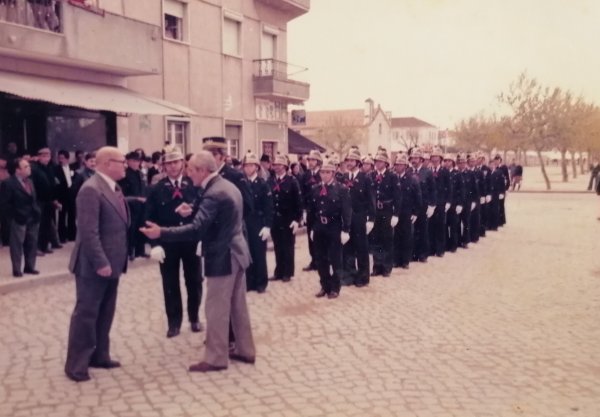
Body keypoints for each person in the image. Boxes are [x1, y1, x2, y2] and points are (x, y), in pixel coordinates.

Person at [141, 151, 256, 373]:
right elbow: (220, 215)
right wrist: (194, 209)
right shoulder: (226, 186)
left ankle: (215, 358)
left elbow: (196, 229)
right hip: (237, 252)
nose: (188, 173)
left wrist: (161, 232)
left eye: (191, 169)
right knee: (237, 306)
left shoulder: (214, 193)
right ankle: (245, 350)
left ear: (203, 170)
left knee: (216, 309)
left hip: (223, 256)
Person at [64, 147, 130, 383]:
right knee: (87, 314)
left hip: (113, 262)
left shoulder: (113, 187)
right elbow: (88, 231)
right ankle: (76, 365)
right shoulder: (90, 190)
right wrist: (101, 261)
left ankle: (100, 355)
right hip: (94, 265)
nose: (125, 165)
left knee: (105, 312)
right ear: (106, 163)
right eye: (122, 161)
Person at [145, 146, 203, 338]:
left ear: (183, 163)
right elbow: (149, 218)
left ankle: (194, 317)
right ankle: (174, 322)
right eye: (168, 163)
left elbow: (203, 212)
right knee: (170, 283)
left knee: (194, 280)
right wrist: (155, 245)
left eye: (176, 162)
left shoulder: (194, 185)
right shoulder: (156, 189)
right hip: (168, 243)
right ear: (163, 166)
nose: (172, 166)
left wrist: (202, 238)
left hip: (190, 241)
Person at [309, 156, 352, 299]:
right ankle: (325, 285)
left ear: (333, 173)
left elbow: (346, 211)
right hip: (320, 227)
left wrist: (346, 230)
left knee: (335, 259)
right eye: (322, 172)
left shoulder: (341, 189)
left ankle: (335, 287)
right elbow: (313, 211)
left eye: (328, 172)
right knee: (321, 259)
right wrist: (313, 228)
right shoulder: (315, 189)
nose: (325, 175)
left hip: (334, 227)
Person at [0, 158, 41, 277]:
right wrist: (14, 216)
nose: (29, 168)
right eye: (26, 167)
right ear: (18, 170)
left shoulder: (30, 181)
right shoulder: (8, 183)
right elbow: (4, 204)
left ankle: (30, 266)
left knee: (32, 243)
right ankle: (17, 269)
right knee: (17, 245)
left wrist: (36, 211)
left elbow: (33, 198)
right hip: (18, 218)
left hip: (32, 217)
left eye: (29, 166)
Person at [341, 147, 375, 286]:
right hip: (346, 218)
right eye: (347, 160)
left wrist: (371, 219)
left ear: (357, 162)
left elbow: (371, 200)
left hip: (360, 217)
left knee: (361, 248)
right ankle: (349, 275)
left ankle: (363, 277)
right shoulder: (343, 178)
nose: (349, 163)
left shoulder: (365, 178)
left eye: (352, 160)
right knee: (347, 247)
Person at [241, 151, 273, 293]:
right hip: (246, 222)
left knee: (259, 253)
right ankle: (250, 281)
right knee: (247, 252)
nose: (248, 168)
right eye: (246, 165)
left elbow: (269, 207)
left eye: (251, 165)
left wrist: (268, 226)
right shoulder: (242, 184)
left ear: (257, 167)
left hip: (259, 222)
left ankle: (261, 282)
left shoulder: (263, 184)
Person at [268, 153, 303, 282]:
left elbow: (298, 202)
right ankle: (279, 271)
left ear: (284, 166)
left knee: (288, 246)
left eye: (279, 165)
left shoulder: (292, 181)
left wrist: (297, 219)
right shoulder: (271, 181)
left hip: (288, 219)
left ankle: (287, 272)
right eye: (275, 165)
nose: (276, 167)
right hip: (275, 219)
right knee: (278, 246)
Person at [370, 147, 401, 277]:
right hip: (375, 211)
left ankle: (387, 267)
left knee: (387, 239)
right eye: (376, 161)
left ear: (386, 163)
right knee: (375, 239)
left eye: (380, 161)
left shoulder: (392, 176)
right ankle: (377, 266)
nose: (378, 163)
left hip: (387, 211)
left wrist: (396, 214)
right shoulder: (371, 175)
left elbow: (398, 197)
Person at [392, 153, 421, 269]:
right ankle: (396, 260)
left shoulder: (412, 179)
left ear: (405, 166)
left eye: (400, 165)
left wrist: (415, 212)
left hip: (407, 211)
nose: (398, 167)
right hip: (395, 211)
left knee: (407, 236)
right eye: (396, 164)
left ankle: (405, 260)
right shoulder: (393, 178)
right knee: (396, 236)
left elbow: (418, 197)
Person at [30, 148, 62, 253]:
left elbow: (53, 183)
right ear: (39, 156)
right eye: (44, 156)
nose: (46, 158)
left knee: (47, 224)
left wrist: (54, 199)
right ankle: (37, 247)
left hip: (49, 200)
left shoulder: (50, 168)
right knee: (38, 225)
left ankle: (44, 246)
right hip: (39, 200)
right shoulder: (34, 169)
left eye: (48, 156)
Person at [118, 151, 147, 260]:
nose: (136, 163)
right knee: (131, 229)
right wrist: (135, 199)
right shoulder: (125, 175)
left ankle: (141, 250)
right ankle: (130, 252)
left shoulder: (140, 173)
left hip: (142, 205)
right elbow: (122, 194)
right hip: (130, 206)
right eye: (133, 161)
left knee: (142, 227)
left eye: (138, 161)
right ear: (128, 161)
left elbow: (144, 188)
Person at [410, 148, 436, 262]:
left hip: (423, 205)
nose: (414, 160)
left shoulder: (427, 172)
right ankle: (413, 254)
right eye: (412, 158)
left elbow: (433, 190)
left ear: (421, 160)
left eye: (416, 158)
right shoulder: (409, 171)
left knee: (423, 230)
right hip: (412, 206)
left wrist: (432, 205)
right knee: (412, 230)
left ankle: (423, 254)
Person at [299, 149, 323, 272]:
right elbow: (302, 193)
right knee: (310, 236)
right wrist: (303, 210)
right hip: (309, 209)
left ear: (318, 161)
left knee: (320, 235)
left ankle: (322, 261)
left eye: (313, 160)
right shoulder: (306, 175)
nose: (310, 162)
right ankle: (313, 260)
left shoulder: (323, 174)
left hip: (321, 209)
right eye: (309, 160)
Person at [428, 147, 452, 257]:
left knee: (440, 226)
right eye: (433, 157)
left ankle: (440, 249)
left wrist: (448, 202)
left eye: (436, 157)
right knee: (431, 226)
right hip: (431, 203)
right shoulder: (429, 171)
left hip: (441, 202)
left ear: (440, 159)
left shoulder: (445, 171)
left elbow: (449, 187)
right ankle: (431, 249)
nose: (434, 159)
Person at [444, 154, 465, 253]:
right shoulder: (443, 173)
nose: (447, 163)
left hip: (454, 203)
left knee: (454, 225)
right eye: (445, 161)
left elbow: (462, 190)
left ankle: (454, 245)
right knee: (444, 225)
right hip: (445, 203)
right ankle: (446, 244)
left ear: (452, 162)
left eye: (449, 161)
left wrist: (460, 204)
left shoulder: (457, 174)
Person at [55, 150, 77, 243]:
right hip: (62, 195)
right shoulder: (56, 169)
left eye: (62, 158)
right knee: (62, 216)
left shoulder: (73, 168)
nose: (61, 160)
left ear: (67, 159)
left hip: (71, 194)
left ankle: (72, 235)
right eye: (59, 158)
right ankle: (62, 237)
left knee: (72, 215)